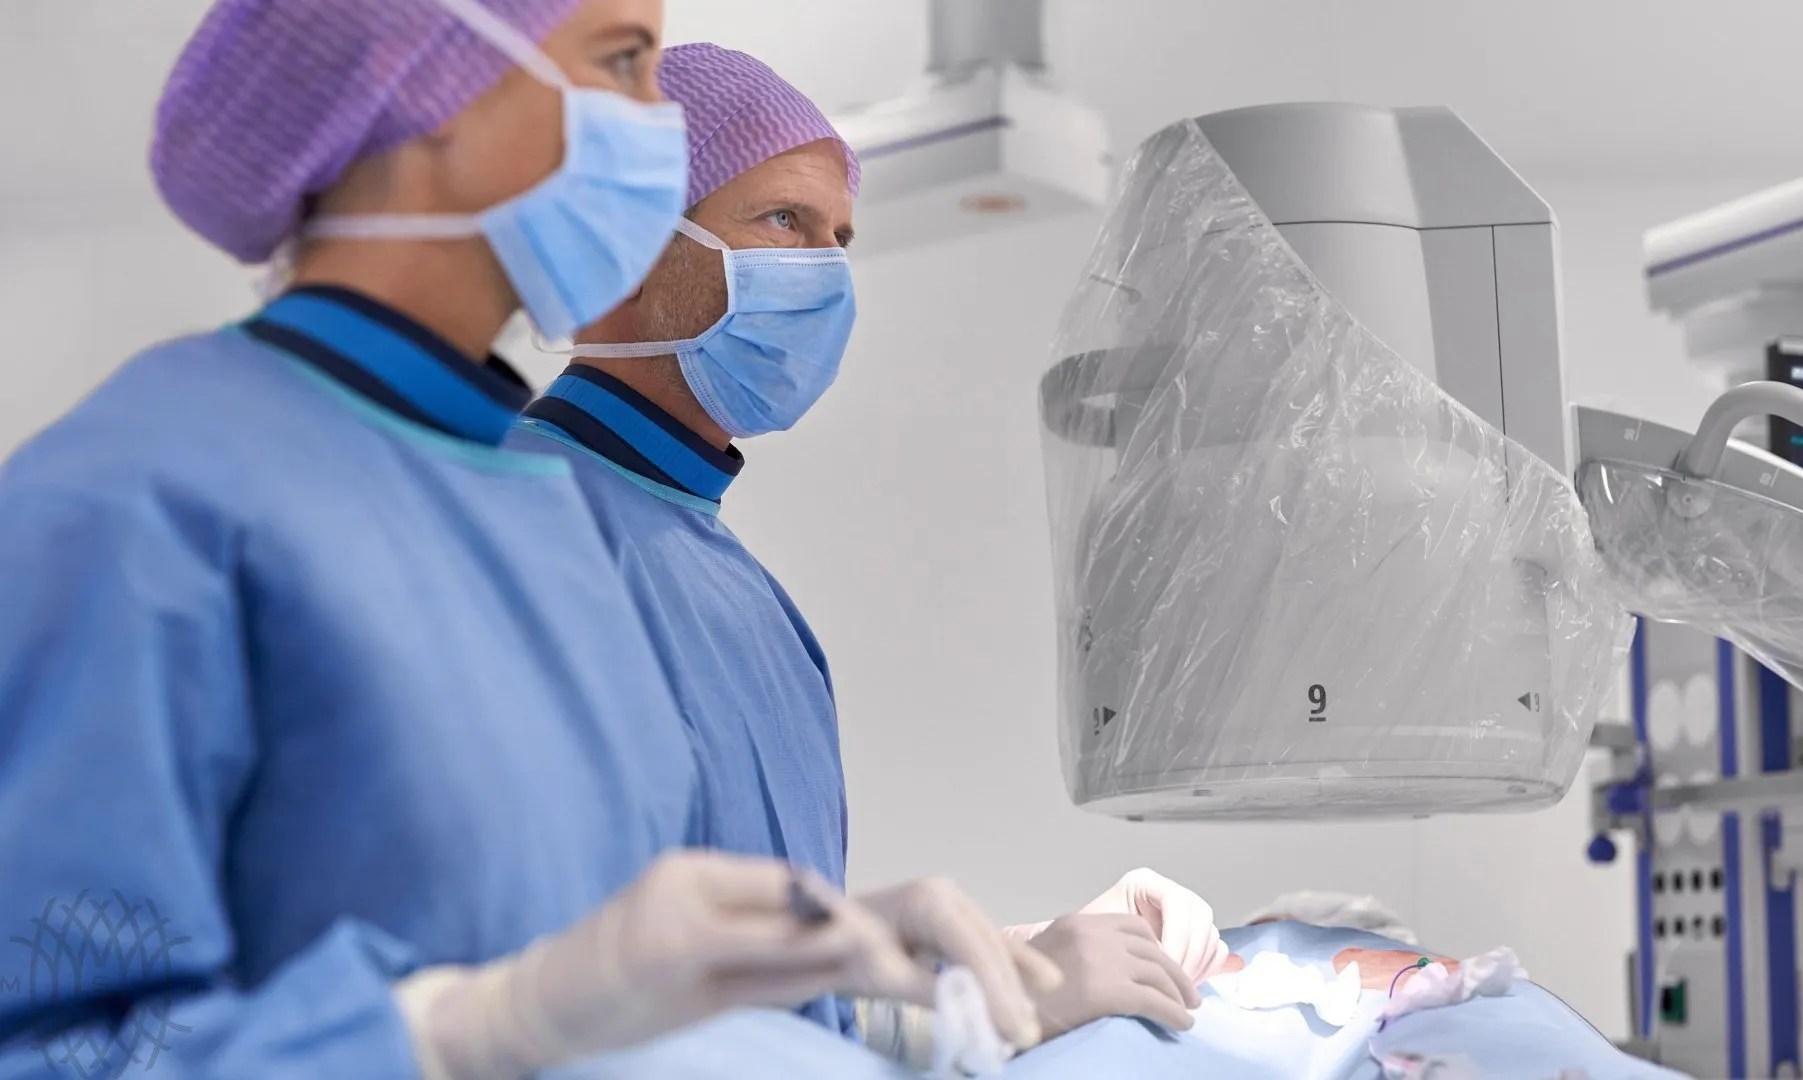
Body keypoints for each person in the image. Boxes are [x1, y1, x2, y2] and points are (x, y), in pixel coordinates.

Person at [0, 3, 1055, 1078]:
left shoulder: (526, 518)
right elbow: (50, 1050)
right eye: (624, 62)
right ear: (424, 82)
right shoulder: (137, 502)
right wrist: (468, 1031)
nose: (658, 129)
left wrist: (812, 981)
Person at [508, 41, 1231, 1063]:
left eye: (839, 238)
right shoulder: (507, 536)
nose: (824, 273)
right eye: (783, 222)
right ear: (622, 246)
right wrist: (989, 1013)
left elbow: (791, 1006)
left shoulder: (752, 604)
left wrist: (1004, 969)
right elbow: (531, 991)